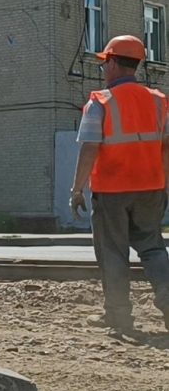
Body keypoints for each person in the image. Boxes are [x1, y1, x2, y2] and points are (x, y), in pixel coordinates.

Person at [71, 34, 169, 334]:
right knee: (153, 249)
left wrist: (77, 189)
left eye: (105, 63)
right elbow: (166, 146)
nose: (103, 69)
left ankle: (119, 317)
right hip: (151, 189)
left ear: (113, 63)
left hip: (112, 192)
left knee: (113, 253)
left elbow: (89, 148)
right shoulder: (159, 101)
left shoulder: (100, 102)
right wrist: (163, 184)